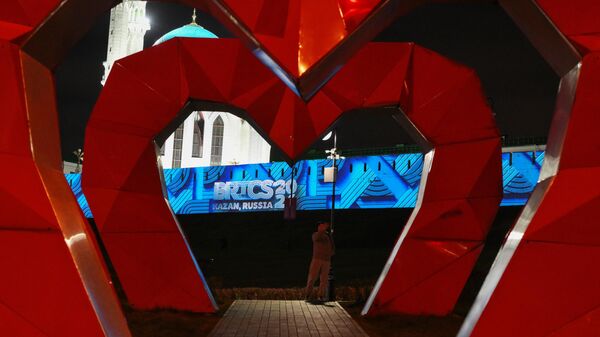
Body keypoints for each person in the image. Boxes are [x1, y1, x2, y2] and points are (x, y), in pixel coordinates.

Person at [305, 221, 335, 301]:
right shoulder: (316, 234)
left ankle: (321, 296)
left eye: (324, 226)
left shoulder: (328, 235)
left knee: (324, 280)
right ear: (318, 227)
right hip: (317, 259)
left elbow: (332, 245)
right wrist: (321, 230)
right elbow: (317, 238)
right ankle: (308, 295)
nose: (324, 227)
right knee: (312, 277)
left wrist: (332, 252)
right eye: (322, 226)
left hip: (327, 260)